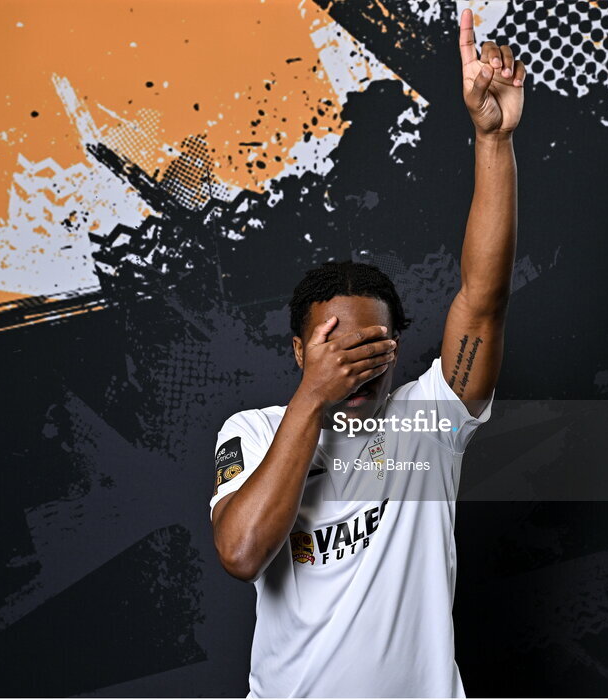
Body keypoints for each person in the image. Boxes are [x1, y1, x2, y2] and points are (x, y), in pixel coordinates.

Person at [209, 8, 524, 697]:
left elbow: (482, 296)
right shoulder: (255, 431)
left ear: (396, 347)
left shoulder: (429, 422)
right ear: (298, 351)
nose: (354, 365)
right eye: (332, 348)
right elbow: (240, 553)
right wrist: (313, 403)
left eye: (371, 347)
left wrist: (491, 141)